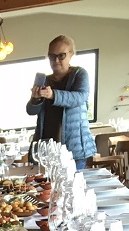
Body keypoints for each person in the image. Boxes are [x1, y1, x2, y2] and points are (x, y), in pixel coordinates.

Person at [26, 35, 96, 170]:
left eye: (61, 55)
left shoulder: (80, 74)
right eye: (52, 56)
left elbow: (79, 97)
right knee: (46, 184)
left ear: (71, 54)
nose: (56, 60)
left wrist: (53, 95)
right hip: (47, 152)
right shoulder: (44, 80)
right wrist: (35, 99)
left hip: (74, 150)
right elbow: (31, 111)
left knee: (73, 183)